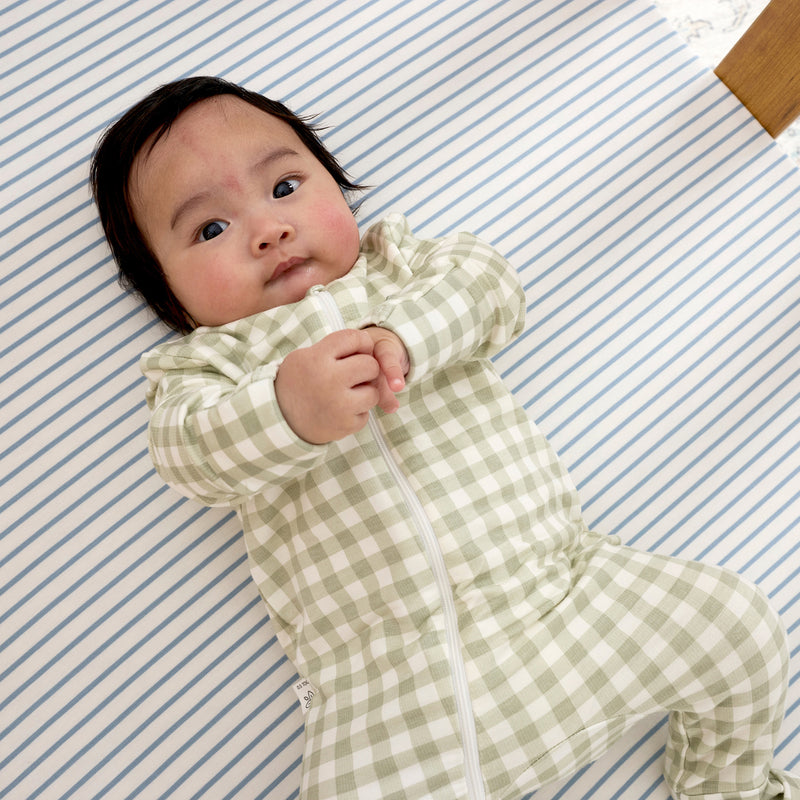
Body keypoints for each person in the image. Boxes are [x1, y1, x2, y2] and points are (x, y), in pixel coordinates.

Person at [90, 76, 798, 800]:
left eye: (285, 186)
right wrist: (285, 407)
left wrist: (402, 337)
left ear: (337, 188)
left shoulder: (400, 267)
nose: (267, 230)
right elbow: (188, 455)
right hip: (389, 694)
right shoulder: (206, 366)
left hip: (565, 598)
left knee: (736, 625)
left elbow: (490, 287)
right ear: (168, 295)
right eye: (210, 230)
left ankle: (724, 785)